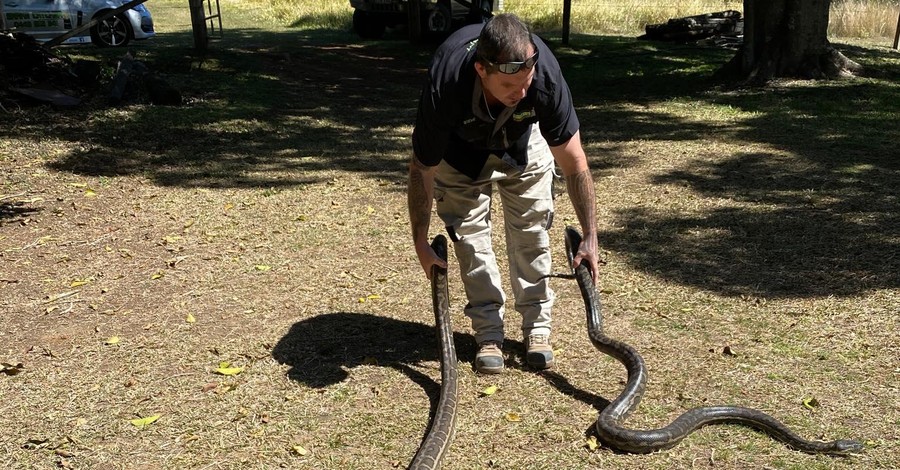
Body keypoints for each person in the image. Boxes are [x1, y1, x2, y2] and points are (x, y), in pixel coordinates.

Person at [408, 13, 599, 374]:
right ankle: (488, 334)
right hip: (459, 154)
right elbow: (422, 169)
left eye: (526, 84)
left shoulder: (542, 78)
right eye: (511, 88)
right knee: (470, 241)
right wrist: (419, 239)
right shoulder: (446, 82)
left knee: (532, 233)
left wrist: (590, 234)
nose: (522, 94)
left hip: (523, 145)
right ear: (482, 69)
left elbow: (574, 161)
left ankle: (537, 329)